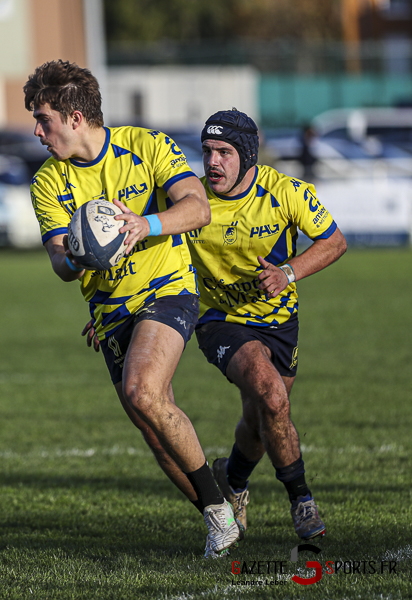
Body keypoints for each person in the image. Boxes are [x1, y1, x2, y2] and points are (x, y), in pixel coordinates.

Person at [85, 109, 346, 543]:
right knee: (271, 393)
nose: (212, 162)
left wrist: (288, 273)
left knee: (263, 416)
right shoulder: (191, 205)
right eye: (207, 151)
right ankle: (301, 499)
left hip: (279, 321)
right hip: (217, 319)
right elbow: (140, 254)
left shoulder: (286, 192)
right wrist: (111, 309)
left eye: (224, 152)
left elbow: (334, 242)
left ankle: (233, 477)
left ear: (248, 156)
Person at [24, 60, 241, 559]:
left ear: (75, 118)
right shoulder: (48, 182)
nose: (37, 132)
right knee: (151, 425)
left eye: (43, 120)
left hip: (168, 288)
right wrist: (80, 254)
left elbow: (198, 208)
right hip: (110, 311)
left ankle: (218, 517)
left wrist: (146, 224)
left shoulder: (147, 146)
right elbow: (59, 262)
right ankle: (223, 508)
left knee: (141, 389)